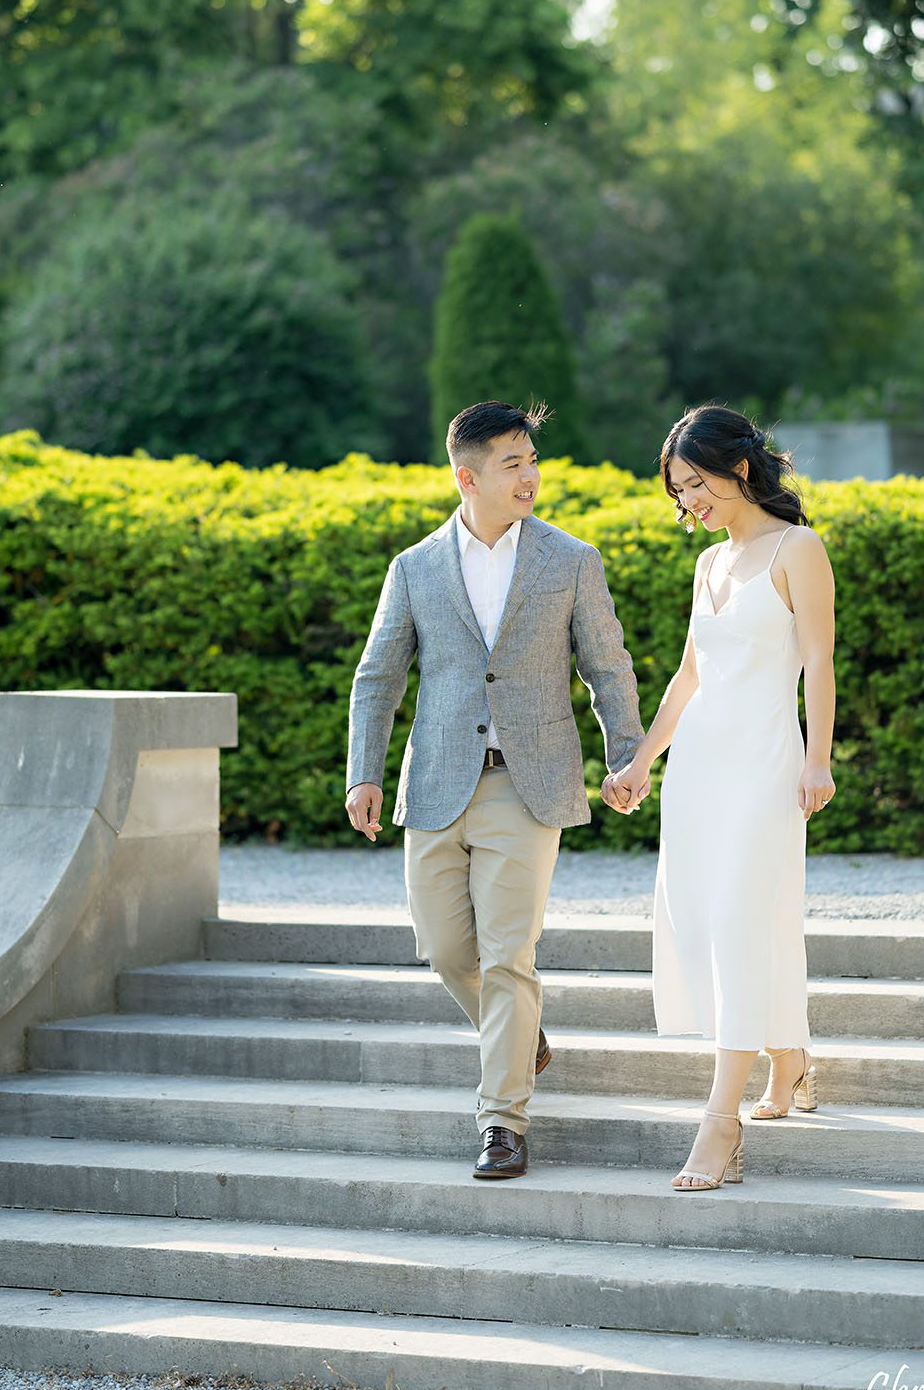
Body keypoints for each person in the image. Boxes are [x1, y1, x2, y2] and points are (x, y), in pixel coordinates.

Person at [345, 399, 643, 1180]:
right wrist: (363, 772)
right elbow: (377, 678)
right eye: (513, 463)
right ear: (465, 476)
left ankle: (502, 1122)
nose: (531, 477)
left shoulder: (571, 559)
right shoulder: (413, 568)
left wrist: (628, 754)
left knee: (510, 956)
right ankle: (524, 1039)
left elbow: (605, 665)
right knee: (446, 951)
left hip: (528, 783)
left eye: (532, 460)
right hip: (437, 783)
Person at [607, 404, 836, 1192]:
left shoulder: (797, 548)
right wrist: (641, 761)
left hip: (767, 767)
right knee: (713, 923)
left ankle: (720, 1124)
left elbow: (819, 663)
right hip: (699, 771)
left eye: (695, 483)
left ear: (739, 466)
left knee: (743, 921)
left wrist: (818, 761)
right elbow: (688, 676)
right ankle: (790, 1054)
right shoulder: (708, 565)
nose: (689, 502)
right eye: (677, 492)